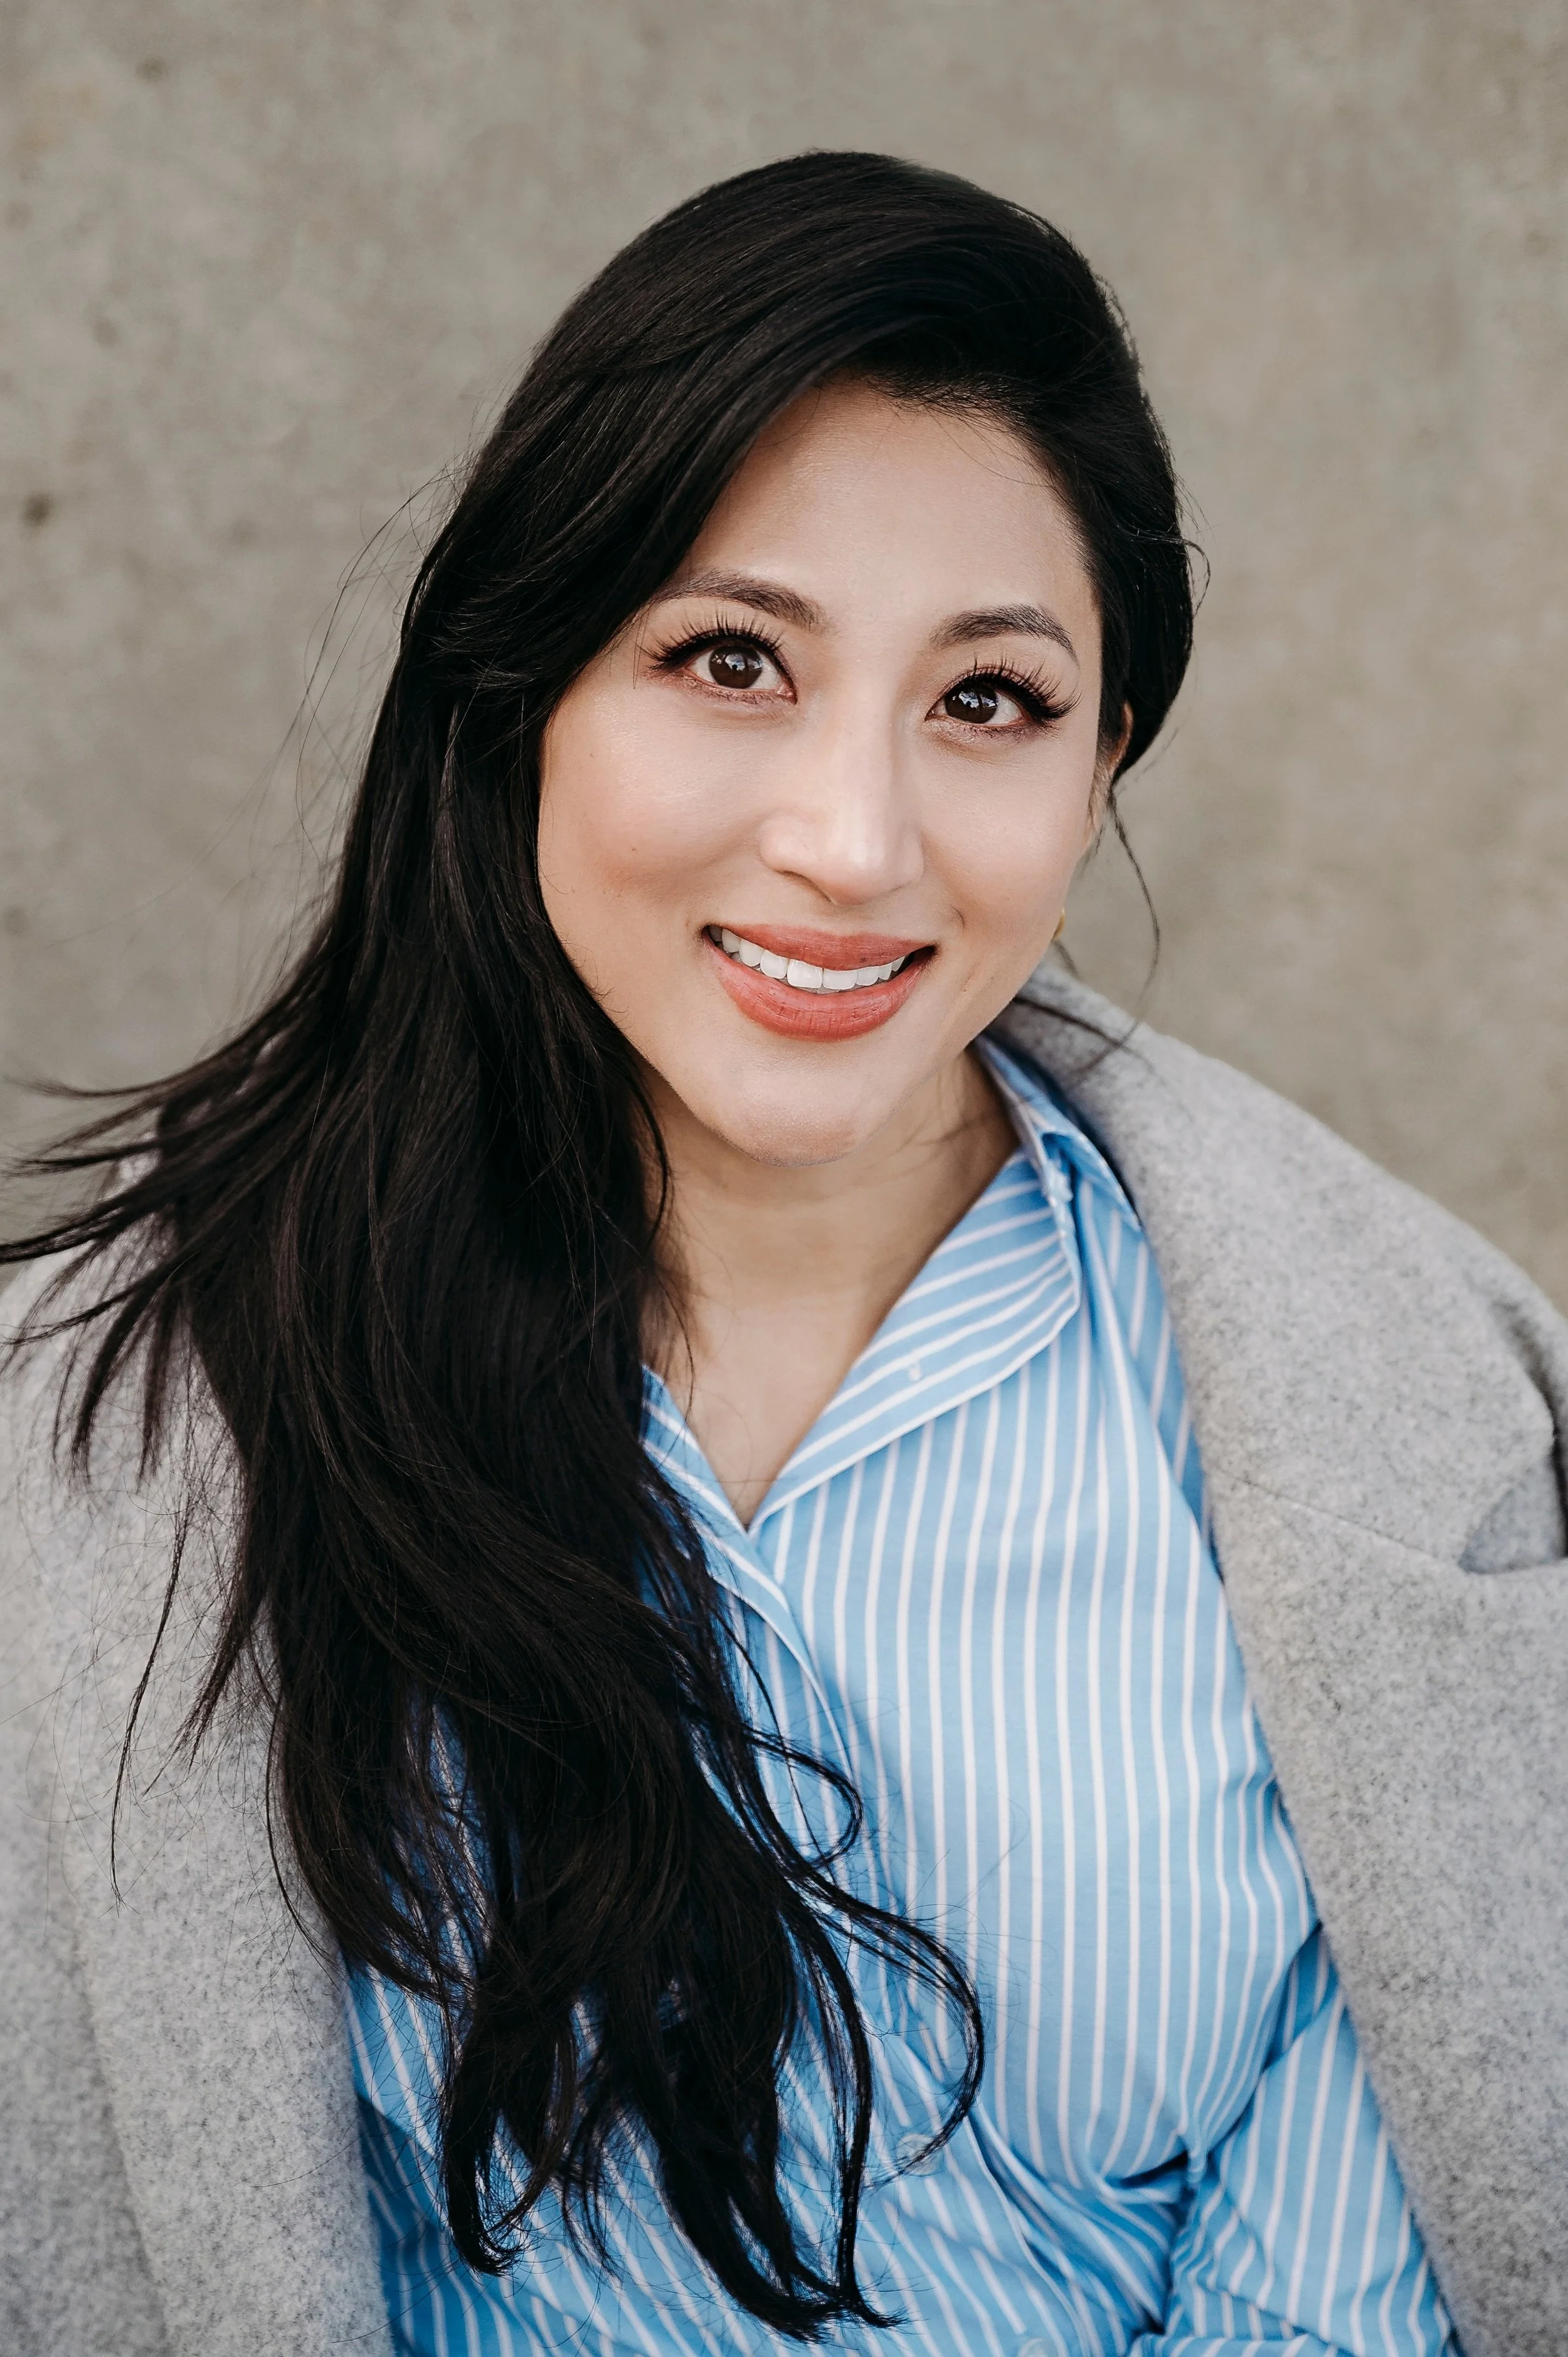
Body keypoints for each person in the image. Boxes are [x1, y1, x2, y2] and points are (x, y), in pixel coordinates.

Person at [1, 151, 1563, 2357]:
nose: (849, 839)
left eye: (988, 700)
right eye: (730, 658)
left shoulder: (1392, 1448)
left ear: (1103, 761)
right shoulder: (110, 1434)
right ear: (521, 686)